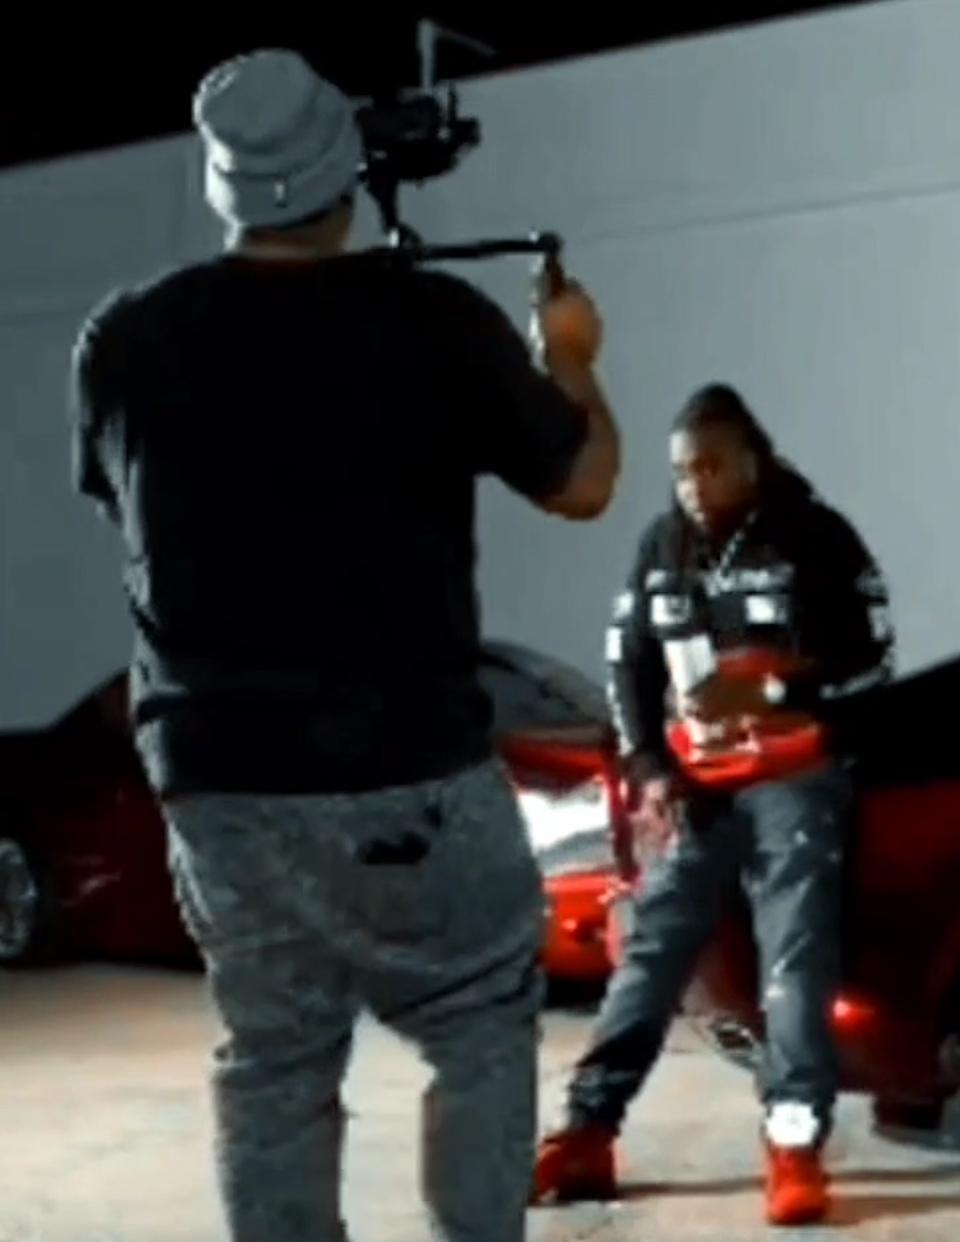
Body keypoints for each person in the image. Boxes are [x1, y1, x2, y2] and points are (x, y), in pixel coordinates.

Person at [68, 49, 619, 1242]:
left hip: (220, 785)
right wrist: (569, 355)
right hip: (407, 770)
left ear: (221, 184)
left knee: (274, 1060)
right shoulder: (434, 319)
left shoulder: (125, 339)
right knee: (477, 1021)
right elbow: (582, 484)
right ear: (348, 172)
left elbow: (136, 516)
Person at [531, 383, 895, 1226]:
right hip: (697, 788)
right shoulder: (661, 545)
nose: (694, 485)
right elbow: (627, 666)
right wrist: (651, 770)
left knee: (793, 950)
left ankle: (794, 1140)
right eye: (682, 472)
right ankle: (586, 1133)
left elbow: (873, 662)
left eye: (710, 466)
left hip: (796, 778)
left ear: (751, 460)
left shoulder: (817, 535)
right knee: (652, 946)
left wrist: (768, 692)